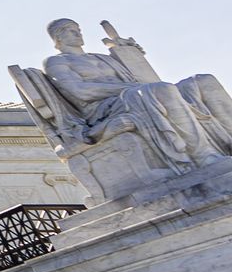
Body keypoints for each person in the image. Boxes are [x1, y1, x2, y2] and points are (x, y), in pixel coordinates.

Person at [44, 18, 232, 166]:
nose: (77, 33)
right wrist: (130, 88)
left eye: (78, 29)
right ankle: (204, 156)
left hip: (136, 93)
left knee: (204, 80)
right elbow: (80, 92)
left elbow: (142, 79)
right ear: (58, 37)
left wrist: (129, 53)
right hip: (105, 107)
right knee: (162, 90)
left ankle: (228, 145)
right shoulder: (56, 62)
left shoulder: (101, 57)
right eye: (70, 29)